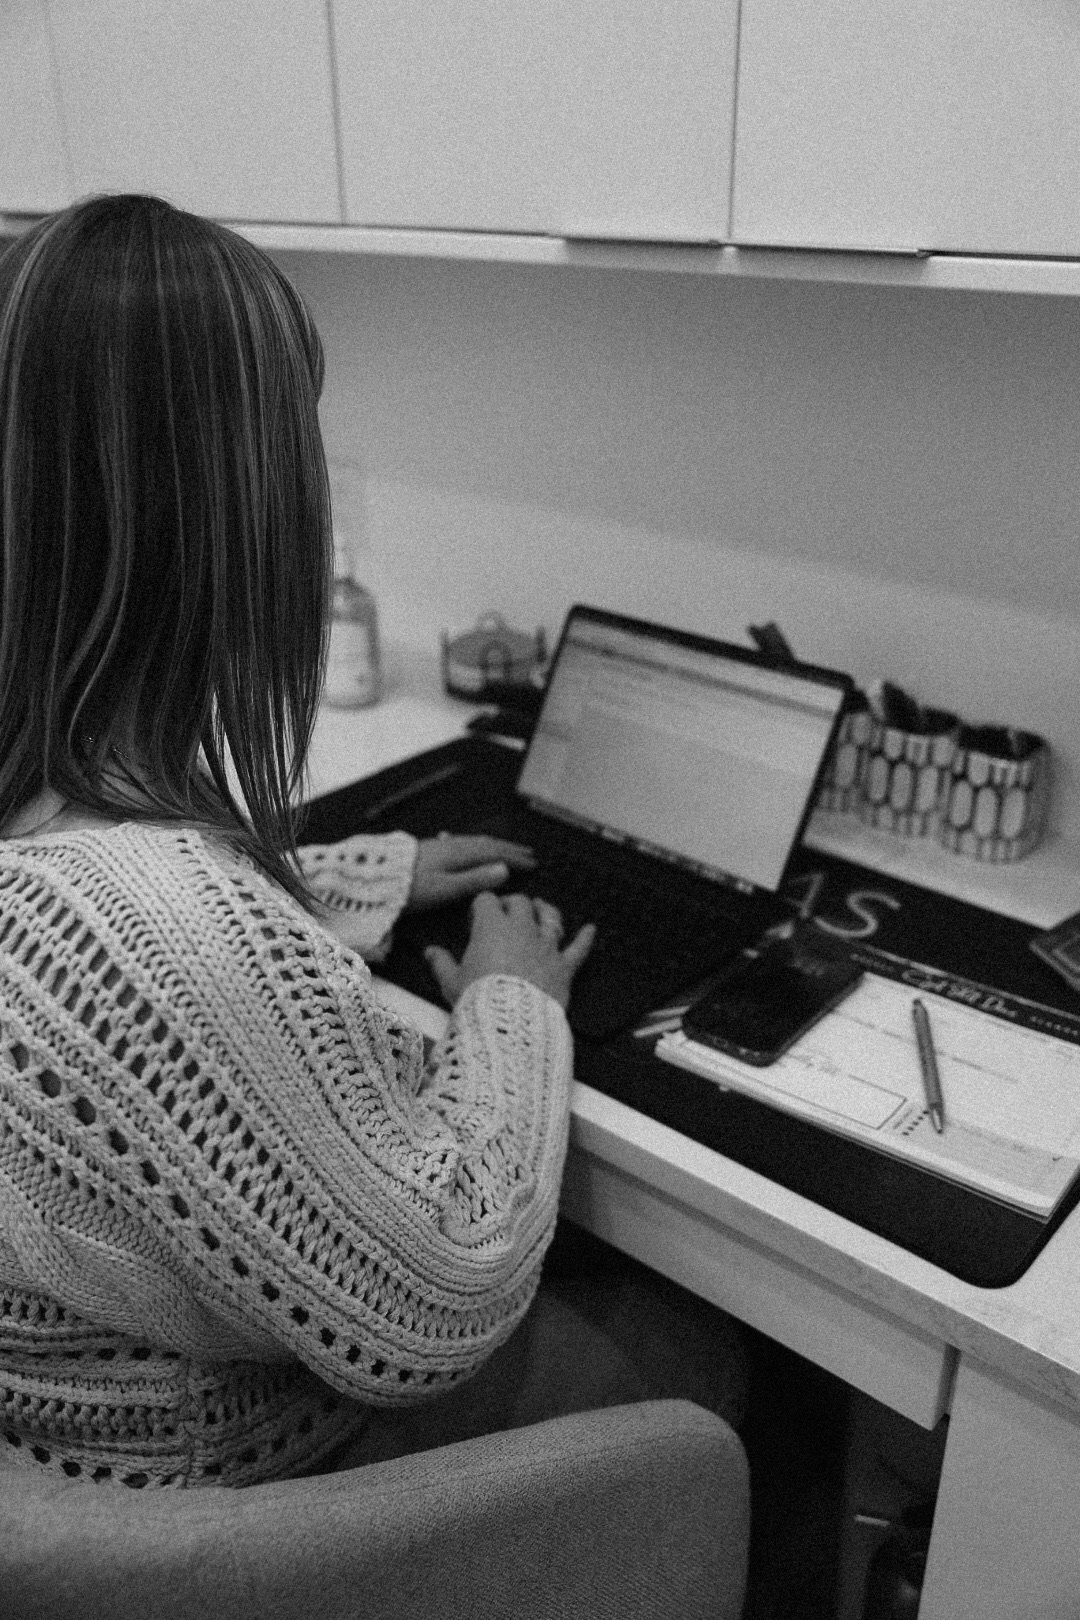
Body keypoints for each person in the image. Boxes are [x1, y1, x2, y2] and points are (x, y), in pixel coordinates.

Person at [0, 195, 747, 1489]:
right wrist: (514, 1006)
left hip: (57, 1428)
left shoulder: (57, 839)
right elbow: (438, 1301)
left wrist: (364, 876)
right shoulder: (166, 934)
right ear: (240, 513)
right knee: (715, 1362)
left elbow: (103, 952)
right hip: (227, 1500)